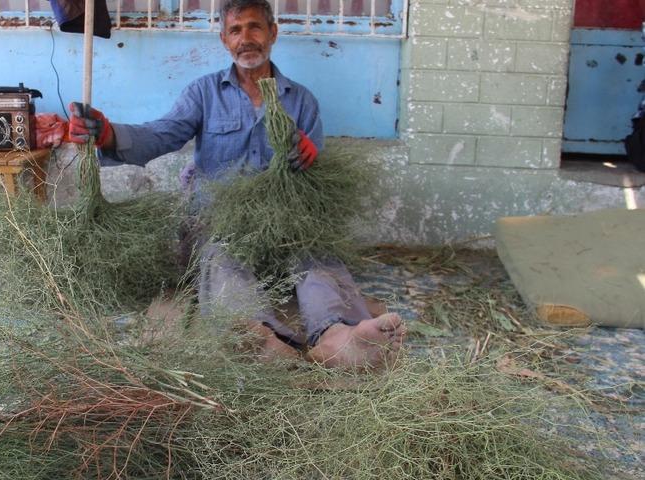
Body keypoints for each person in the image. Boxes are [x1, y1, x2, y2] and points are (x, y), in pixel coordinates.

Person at [68, 0, 405, 370]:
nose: (246, 38)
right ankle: (257, 335)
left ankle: (337, 336)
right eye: (235, 30)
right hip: (220, 221)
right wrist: (109, 134)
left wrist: (311, 160)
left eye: (255, 27)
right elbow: (159, 135)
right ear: (224, 40)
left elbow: (317, 182)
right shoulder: (203, 93)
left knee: (316, 256)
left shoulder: (301, 100)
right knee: (221, 254)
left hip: (285, 222)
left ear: (272, 33)